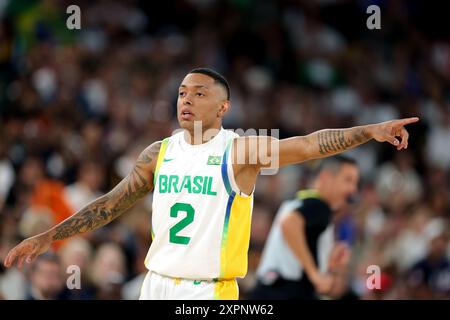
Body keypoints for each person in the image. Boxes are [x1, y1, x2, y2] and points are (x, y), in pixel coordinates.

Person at [3, 68, 419, 300]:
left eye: (198, 93)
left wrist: (371, 130)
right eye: (182, 92)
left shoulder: (240, 152)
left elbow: (309, 145)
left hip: (208, 293)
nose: (186, 99)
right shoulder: (157, 152)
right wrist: (49, 237)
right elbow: (110, 203)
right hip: (156, 283)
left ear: (223, 107)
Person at [248, 156, 358, 300]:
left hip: (267, 288)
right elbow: (289, 223)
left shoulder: (298, 201)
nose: (353, 189)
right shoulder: (319, 206)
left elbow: (292, 251)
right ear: (326, 177)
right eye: (348, 180)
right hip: (287, 292)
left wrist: (328, 260)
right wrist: (315, 274)